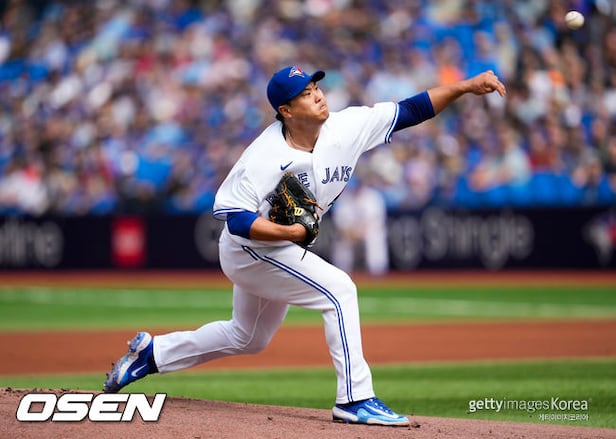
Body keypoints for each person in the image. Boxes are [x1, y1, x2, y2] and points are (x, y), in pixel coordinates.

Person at [104, 65, 506, 426]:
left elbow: (410, 110)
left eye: (316, 87)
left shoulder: (346, 127)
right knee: (339, 290)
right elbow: (237, 219)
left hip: (276, 246)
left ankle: (153, 354)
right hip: (249, 250)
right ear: (286, 110)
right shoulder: (263, 156)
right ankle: (355, 399)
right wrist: (292, 235)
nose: (317, 95)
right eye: (305, 94)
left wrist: (465, 86)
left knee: (248, 337)